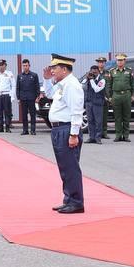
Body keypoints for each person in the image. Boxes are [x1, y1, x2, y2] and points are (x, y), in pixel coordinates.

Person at [46, 54, 85, 214]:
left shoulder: (72, 85)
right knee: (65, 168)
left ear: (64, 69)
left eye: (54, 68)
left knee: (70, 168)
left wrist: (74, 134)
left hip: (66, 129)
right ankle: (68, 199)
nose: (52, 71)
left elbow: (76, 111)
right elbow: (49, 94)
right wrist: (47, 80)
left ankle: (76, 202)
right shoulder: (63, 84)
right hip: (58, 129)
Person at [105, 53, 134, 142]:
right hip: (116, 95)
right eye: (118, 60)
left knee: (126, 116)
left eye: (121, 60)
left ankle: (126, 136)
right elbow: (109, 85)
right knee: (117, 117)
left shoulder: (129, 71)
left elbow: (133, 84)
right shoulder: (112, 71)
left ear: (124, 61)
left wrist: (133, 95)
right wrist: (110, 97)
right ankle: (118, 135)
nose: (119, 62)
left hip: (126, 95)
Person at [15, 59, 40, 135]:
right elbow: (18, 88)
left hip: (32, 98)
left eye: (26, 65)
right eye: (24, 66)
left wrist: (37, 97)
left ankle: (33, 130)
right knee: (24, 115)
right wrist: (18, 98)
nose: (25, 67)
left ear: (29, 66)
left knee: (32, 115)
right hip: (23, 98)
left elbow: (37, 86)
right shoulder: (20, 76)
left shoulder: (34, 75)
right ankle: (25, 130)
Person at [83, 64, 106, 144]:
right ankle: (91, 137)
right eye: (92, 72)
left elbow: (96, 89)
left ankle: (98, 137)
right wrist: (86, 78)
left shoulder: (102, 80)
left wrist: (92, 80)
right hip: (89, 102)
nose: (93, 74)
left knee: (98, 121)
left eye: (95, 72)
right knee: (90, 121)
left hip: (97, 103)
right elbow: (82, 85)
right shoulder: (88, 78)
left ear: (98, 72)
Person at [93, 56, 110, 138]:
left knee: (104, 116)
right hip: (96, 97)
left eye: (102, 62)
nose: (101, 64)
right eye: (99, 62)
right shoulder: (94, 72)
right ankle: (97, 133)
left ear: (105, 63)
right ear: (97, 63)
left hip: (105, 98)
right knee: (96, 117)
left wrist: (108, 96)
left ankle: (104, 133)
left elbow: (109, 85)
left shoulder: (108, 73)